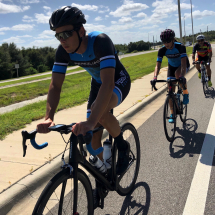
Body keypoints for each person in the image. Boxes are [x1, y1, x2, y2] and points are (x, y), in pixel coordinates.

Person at [37, 6, 131, 175]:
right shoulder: (63, 51)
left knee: (99, 114)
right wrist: (49, 118)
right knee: (94, 136)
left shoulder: (100, 41)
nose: (62, 40)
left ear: (81, 31)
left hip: (117, 80)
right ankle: (105, 172)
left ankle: (123, 147)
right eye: (58, 36)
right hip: (97, 84)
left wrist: (91, 121)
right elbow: (55, 86)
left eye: (66, 34)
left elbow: (108, 83)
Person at [151, 29, 190, 123]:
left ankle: (185, 92)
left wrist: (182, 76)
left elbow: (184, 64)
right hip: (171, 67)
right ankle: (172, 113)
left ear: (173, 40)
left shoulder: (180, 47)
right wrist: (155, 77)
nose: (166, 44)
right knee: (170, 90)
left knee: (178, 74)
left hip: (183, 65)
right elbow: (158, 65)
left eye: (168, 41)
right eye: (164, 42)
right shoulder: (162, 50)